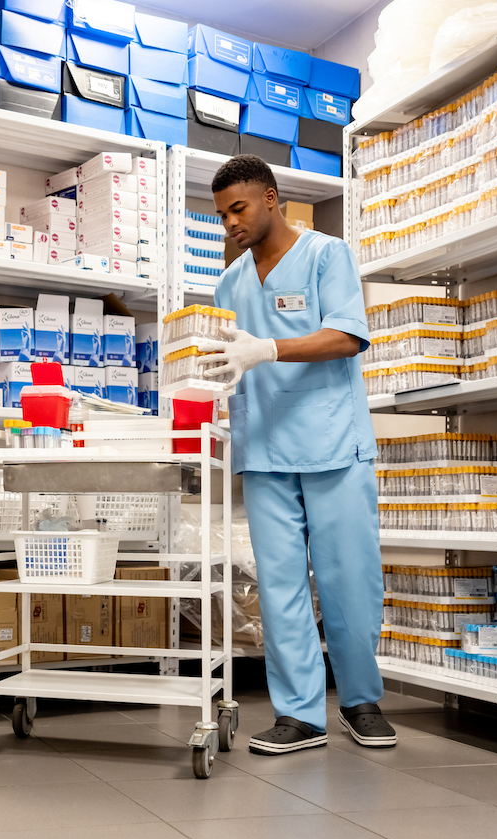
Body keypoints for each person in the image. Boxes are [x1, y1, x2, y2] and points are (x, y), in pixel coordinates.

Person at [199, 155, 396, 755]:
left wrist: (268, 350)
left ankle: (361, 700)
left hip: (332, 443)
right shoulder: (230, 283)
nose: (231, 223)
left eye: (240, 208)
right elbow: (223, 360)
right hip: (264, 450)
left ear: (272, 198)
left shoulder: (325, 255)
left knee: (348, 580)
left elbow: (348, 335)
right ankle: (300, 715)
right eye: (222, 214)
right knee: (279, 586)